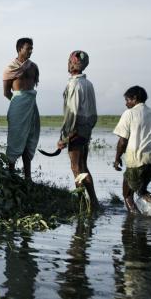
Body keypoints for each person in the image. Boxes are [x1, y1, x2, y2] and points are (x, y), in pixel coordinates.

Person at [112, 85, 151, 214]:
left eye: (127, 100)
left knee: (127, 194)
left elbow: (122, 141)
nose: (126, 104)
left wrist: (116, 159)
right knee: (141, 191)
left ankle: (135, 218)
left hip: (136, 161)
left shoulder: (129, 113)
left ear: (134, 98)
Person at [57, 50, 98, 206]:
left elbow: (71, 113)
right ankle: (93, 201)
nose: (68, 63)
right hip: (86, 130)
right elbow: (93, 114)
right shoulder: (88, 84)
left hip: (76, 130)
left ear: (73, 64)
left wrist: (65, 137)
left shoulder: (74, 84)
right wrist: (87, 129)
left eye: (69, 61)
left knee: (76, 167)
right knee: (83, 166)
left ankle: (81, 201)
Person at [3, 37, 40, 180]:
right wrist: (18, 101)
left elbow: (33, 84)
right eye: (28, 48)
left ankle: (28, 177)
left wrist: (26, 100)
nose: (30, 51)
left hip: (31, 104)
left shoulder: (33, 67)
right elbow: (6, 93)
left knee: (29, 138)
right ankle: (11, 173)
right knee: (15, 137)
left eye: (31, 48)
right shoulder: (9, 68)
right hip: (18, 105)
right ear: (19, 49)